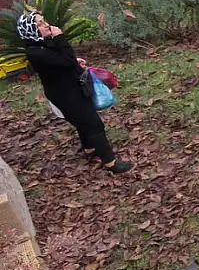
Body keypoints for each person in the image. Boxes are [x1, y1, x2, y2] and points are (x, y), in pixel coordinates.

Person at [19, 11, 131, 173]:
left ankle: (89, 148)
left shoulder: (41, 44)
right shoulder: (36, 52)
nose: (46, 25)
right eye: (40, 24)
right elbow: (65, 60)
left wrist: (74, 62)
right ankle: (111, 163)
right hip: (66, 95)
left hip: (68, 88)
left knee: (81, 122)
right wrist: (60, 38)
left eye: (44, 21)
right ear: (31, 30)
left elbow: (61, 63)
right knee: (93, 124)